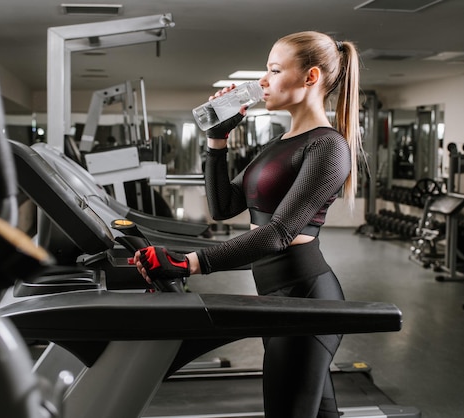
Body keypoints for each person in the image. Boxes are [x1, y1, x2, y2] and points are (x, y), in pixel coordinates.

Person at [134, 30, 362, 418]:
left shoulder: (327, 146)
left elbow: (278, 234)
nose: (262, 82)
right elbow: (224, 206)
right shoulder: (281, 141)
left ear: (310, 78)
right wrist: (216, 142)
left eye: (274, 70)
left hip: (306, 297)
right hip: (275, 296)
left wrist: (190, 262)